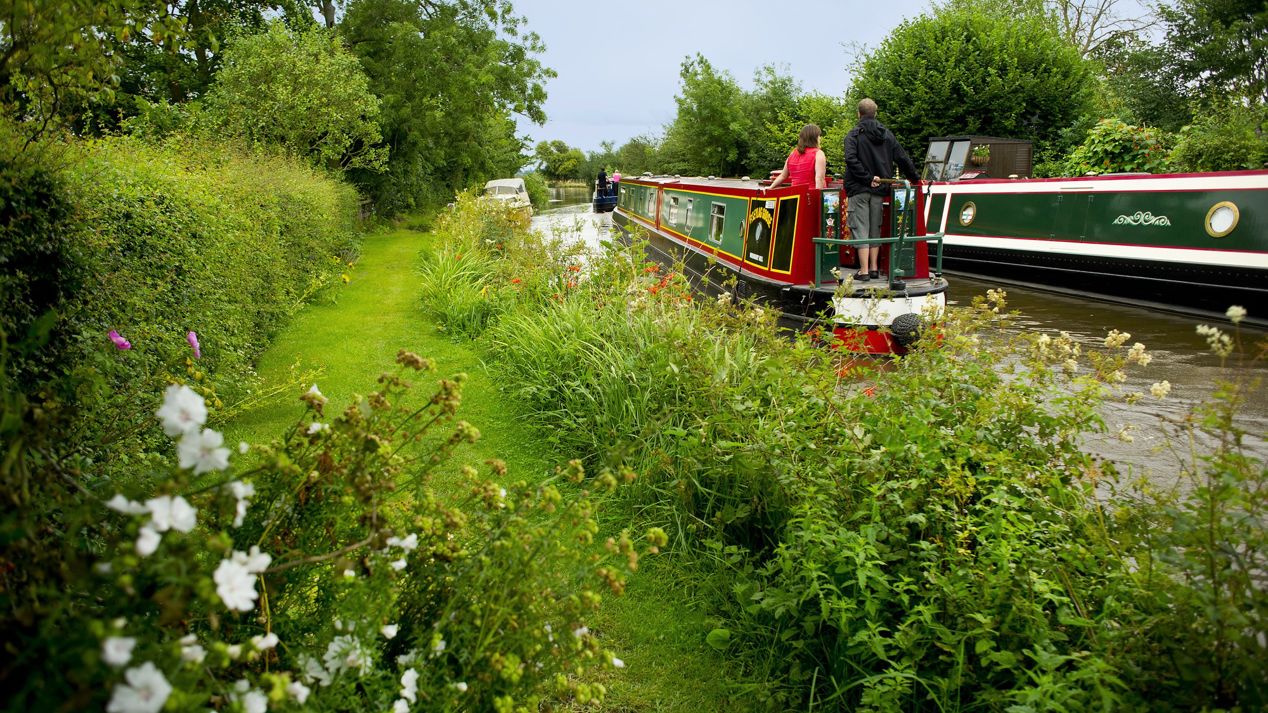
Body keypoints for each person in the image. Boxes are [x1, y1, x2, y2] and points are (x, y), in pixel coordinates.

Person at [843, 98, 919, 281]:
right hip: (879, 190)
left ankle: (864, 271)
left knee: (861, 228)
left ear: (858, 113)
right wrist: (915, 178)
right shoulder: (887, 135)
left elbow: (851, 160)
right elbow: (902, 157)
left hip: (859, 189)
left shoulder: (853, 135)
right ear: (875, 113)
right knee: (875, 228)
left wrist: (868, 179)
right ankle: (875, 268)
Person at [763, 124, 827, 193]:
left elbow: (783, 176)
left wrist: (771, 187)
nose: (820, 138)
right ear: (814, 138)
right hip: (810, 196)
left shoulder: (792, 154)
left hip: (795, 196)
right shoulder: (818, 154)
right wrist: (818, 197)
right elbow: (819, 178)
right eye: (819, 136)